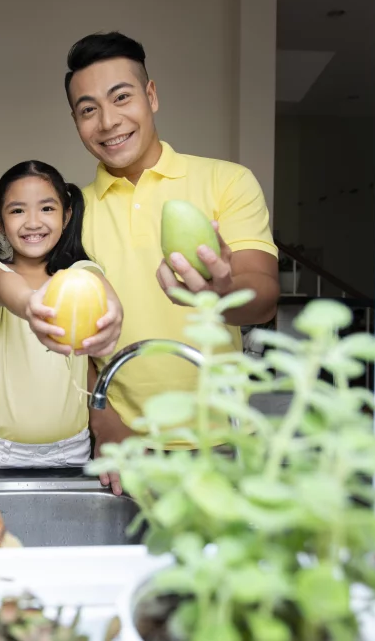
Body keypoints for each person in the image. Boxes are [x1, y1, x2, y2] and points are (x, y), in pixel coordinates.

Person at [64, 32, 280, 493]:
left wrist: (222, 295)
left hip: (221, 443)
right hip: (123, 451)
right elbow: (69, 339)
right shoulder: (70, 211)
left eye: (121, 97)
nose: (107, 122)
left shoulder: (228, 181)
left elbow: (263, 297)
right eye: (88, 109)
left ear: (151, 96)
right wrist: (103, 421)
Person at [0, 160, 123, 469]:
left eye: (47, 209)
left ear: (66, 216)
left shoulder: (79, 274)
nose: (33, 222)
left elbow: (98, 285)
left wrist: (114, 309)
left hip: (71, 451)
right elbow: (2, 285)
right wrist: (30, 304)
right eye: (17, 210)